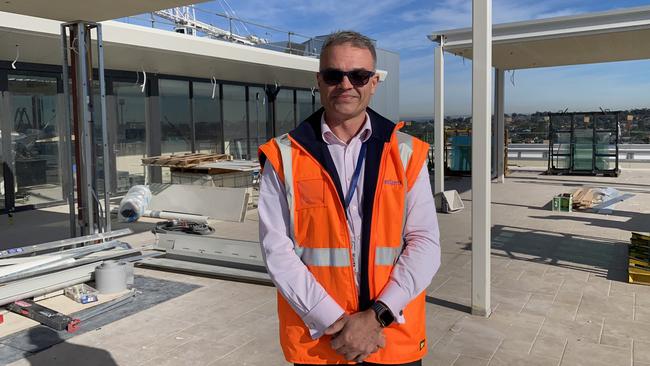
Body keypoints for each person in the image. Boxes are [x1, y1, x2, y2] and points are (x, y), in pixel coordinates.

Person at [258, 30, 441, 366]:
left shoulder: (407, 153)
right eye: (333, 75)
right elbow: (276, 250)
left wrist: (376, 318)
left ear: (373, 82)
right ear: (319, 81)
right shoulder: (282, 156)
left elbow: (425, 243)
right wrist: (337, 322)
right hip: (321, 342)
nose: (346, 84)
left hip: (391, 338)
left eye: (358, 75)